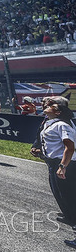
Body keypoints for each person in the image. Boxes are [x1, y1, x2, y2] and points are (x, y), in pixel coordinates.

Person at [31, 96, 76, 227]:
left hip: (64, 163)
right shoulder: (49, 122)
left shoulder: (62, 124)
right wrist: (40, 150)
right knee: (60, 193)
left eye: (51, 105)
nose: (46, 106)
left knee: (69, 195)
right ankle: (70, 217)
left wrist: (63, 166)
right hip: (53, 162)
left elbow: (70, 147)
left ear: (58, 112)